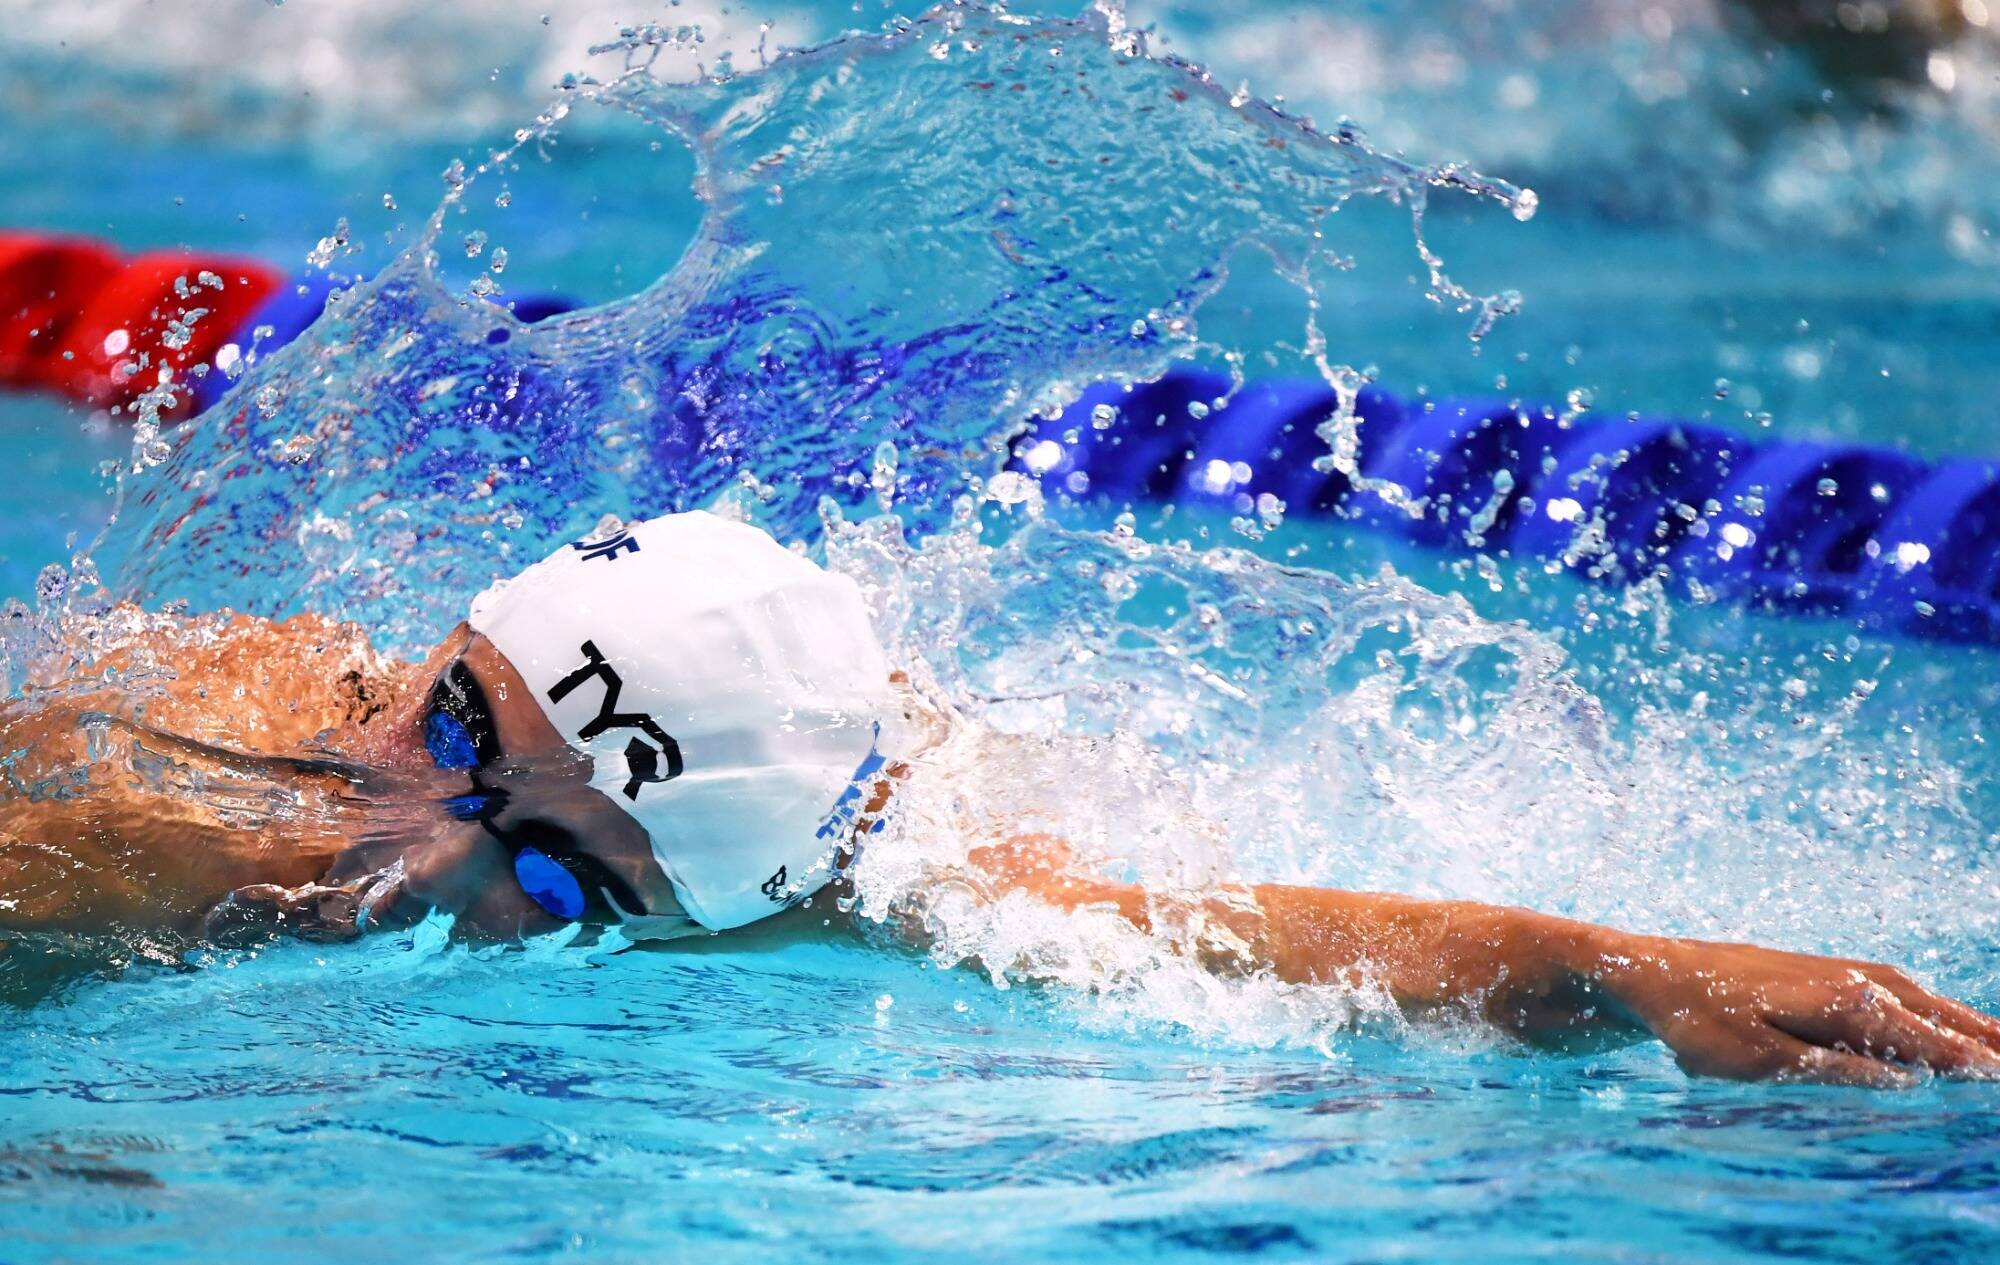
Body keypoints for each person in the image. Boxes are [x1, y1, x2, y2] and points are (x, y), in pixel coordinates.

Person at [2, 510, 1997, 1086]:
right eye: (437, 721)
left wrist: (1617, 965)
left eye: (543, 857)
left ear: (706, 898)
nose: (406, 829)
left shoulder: (799, 872)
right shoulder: (167, 788)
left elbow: (1194, 940)